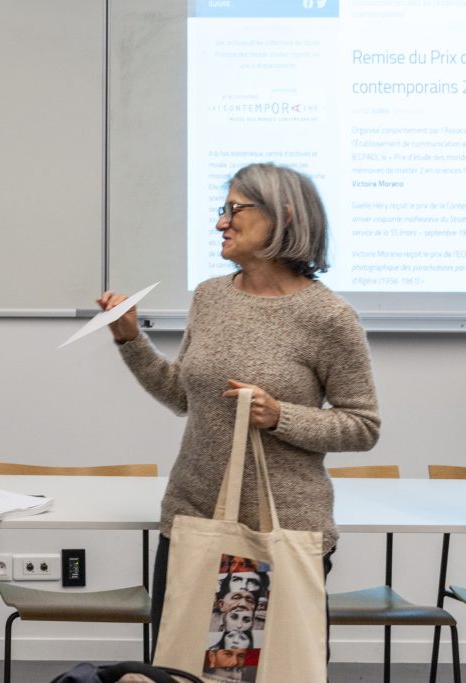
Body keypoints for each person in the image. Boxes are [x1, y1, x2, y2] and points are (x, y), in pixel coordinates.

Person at [98, 162, 381, 660]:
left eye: (234, 209)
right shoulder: (210, 296)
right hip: (192, 516)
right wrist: (129, 339)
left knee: (265, 671)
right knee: (182, 664)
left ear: (284, 216)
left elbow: (362, 426)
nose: (220, 223)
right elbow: (183, 397)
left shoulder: (329, 317)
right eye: (221, 209)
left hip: (281, 529)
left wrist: (281, 416)